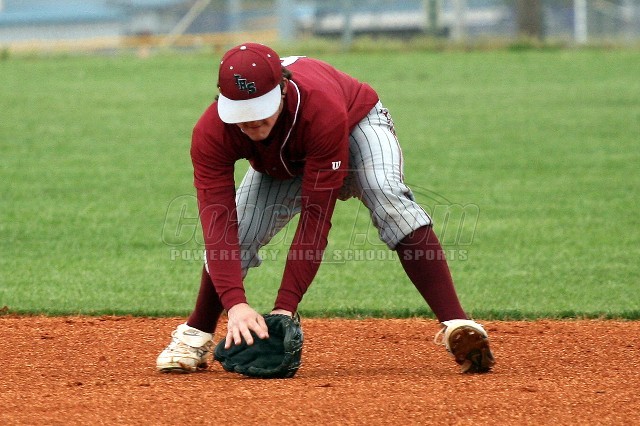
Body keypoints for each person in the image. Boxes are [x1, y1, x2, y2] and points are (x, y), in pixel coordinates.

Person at [156, 43, 495, 374]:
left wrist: (285, 308)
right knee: (241, 230)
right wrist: (236, 304)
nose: (252, 123)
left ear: (283, 89)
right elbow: (218, 224)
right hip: (286, 157)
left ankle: (456, 323)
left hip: (354, 126)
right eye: (242, 115)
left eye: (260, 111)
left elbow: (315, 221)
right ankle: (196, 332)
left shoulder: (319, 107)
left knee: (386, 195)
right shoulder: (211, 132)